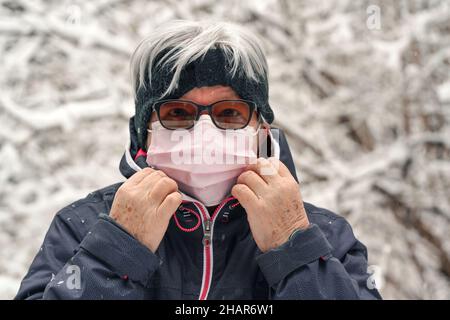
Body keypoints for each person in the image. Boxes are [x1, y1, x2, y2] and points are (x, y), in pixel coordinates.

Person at [15, 20, 382, 300]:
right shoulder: (82, 227)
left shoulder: (325, 236)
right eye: (177, 112)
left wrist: (295, 247)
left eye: (230, 111)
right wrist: (116, 249)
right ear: (142, 133)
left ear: (261, 129)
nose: (204, 130)